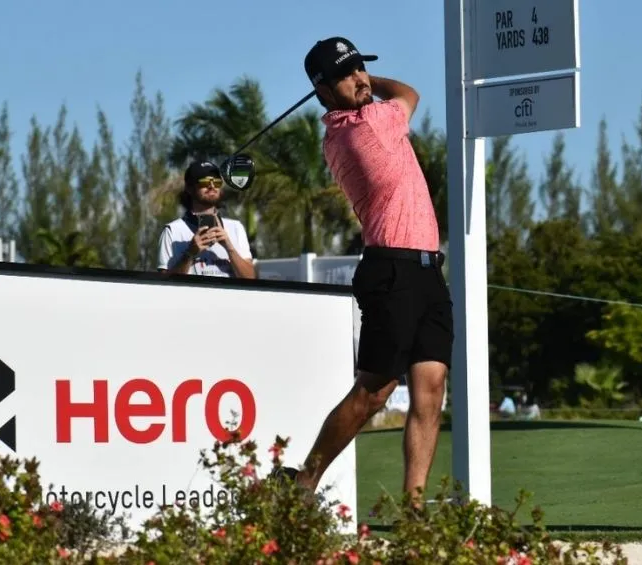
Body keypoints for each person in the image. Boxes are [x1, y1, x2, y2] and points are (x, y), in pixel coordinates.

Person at [276, 36, 452, 505]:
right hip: (393, 270)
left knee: (430, 390)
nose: (358, 80)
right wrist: (372, 83)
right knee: (375, 391)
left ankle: (414, 506)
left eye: (361, 69)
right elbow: (409, 94)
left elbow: (395, 98)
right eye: (347, 74)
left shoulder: (346, 127)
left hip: (425, 269)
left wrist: (354, 78)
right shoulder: (365, 129)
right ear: (322, 89)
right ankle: (304, 481)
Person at [157, 160, 256, 279]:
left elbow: (250, 278)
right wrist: (189, 254)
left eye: (217, 182)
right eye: (204, 182)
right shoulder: (172, 231)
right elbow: (163, 284)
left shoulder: (236, 228)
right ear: (189, 188)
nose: (212, 186)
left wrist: (229, 248)